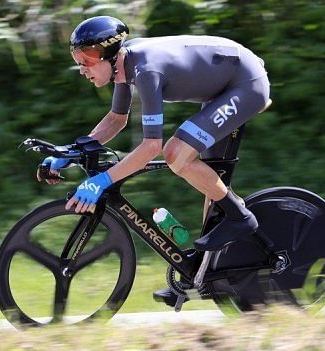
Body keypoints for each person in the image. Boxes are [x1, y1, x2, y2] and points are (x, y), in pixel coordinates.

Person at [37, 16, 270, 305]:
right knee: (205, 176)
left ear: (110, 54)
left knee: (176, 152)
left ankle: (240, 217)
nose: (82, 68)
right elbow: (115, 120)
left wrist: (101, 181)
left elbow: (151, 147)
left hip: (246, 84)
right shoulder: (123, 66)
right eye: (78, 59)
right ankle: (200, 274)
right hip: (224, 88)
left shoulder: (145, 71)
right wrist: (69, 154)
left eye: (88, 58)